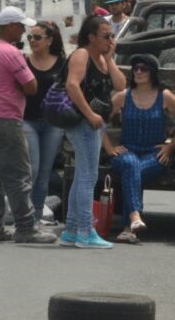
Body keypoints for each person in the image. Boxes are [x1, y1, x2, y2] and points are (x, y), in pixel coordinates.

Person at [0, 6, 57, 245]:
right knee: (19, 174)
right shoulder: (10, 53)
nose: (24, 31)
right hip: (5, 119)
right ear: (10, 26)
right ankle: (26, 227)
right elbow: (31, 86)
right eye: (21, 26)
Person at [58, 14, 125, 249]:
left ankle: (72, 230)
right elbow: (72, 85)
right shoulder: (82, 55)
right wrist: (90, 114)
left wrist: (110, 57)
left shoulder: (102, 58)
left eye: (112, 36)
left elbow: (120, 85)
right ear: (91, 37)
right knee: (88, 177)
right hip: (83, 122)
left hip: (95, 123)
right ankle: (86, 232)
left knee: (82, 176)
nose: (110, 40)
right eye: (106, 36)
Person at [105, 53, 175, 244]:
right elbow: (99, 120)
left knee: (132, 171)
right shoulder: (124, 96)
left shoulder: (164, 96)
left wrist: (170, 147)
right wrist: (109, 148)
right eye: (135, 69)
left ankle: (129, 225)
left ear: (153, 72)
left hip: (154, 153)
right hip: (127, 150)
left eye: (144, 69)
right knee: (131, 164)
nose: (139, 72)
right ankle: (133, 219)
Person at [23, 20, 68, 222]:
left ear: (49, 40)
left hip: (53, 123)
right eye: (30, 37)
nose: (33, 41)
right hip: (27, 120)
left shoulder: (62, 62)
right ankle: (23, 216)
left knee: (44, 172)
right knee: (31, 168)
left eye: (37, 37)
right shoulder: (23, 60)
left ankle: (36, 217)